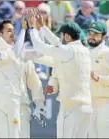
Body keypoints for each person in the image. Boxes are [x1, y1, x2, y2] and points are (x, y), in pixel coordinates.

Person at [27, 10, 92, 138]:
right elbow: (57, 46)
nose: (61, 38)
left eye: (62, 35)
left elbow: (40, 46)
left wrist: (33, 28)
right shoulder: (85, 51)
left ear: (67, 37)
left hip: (70, 108)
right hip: (86, 108)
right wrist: (44, 28)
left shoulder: (67, 51)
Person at [0, 19, 45, 138]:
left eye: (13, 31)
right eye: (9, 31)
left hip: (21, 107)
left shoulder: (23, 54)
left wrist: (39, 103)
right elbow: (10, 53)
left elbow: (34, 82)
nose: (13, 34)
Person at [86, 21, 109, 138]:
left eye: (96, 34)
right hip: (89, 105)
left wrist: (99, 78)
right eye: (90, 33)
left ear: (104, 36)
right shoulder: (85, 52)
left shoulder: (107, 52)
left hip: (105, 105)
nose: (92, 37)